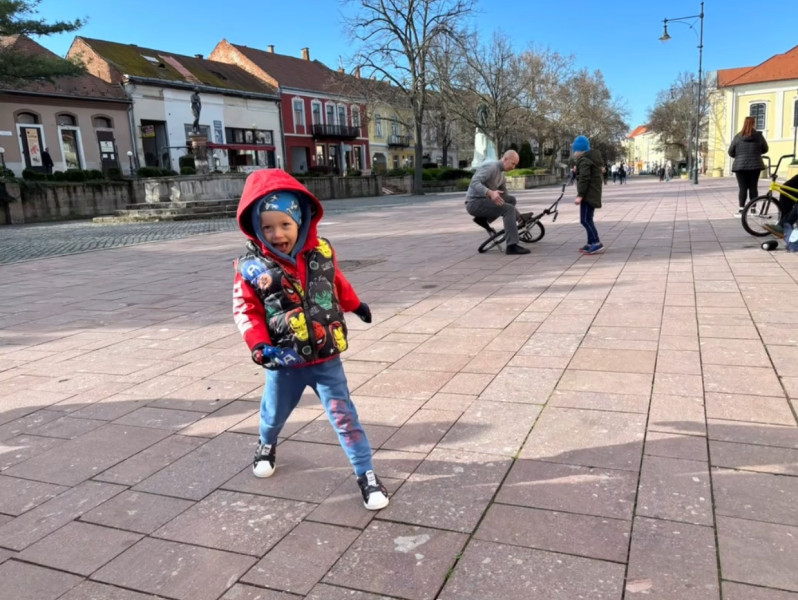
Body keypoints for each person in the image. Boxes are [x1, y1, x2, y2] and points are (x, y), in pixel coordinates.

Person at [231, 168, 389, 510]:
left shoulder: (322, 252)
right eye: (267, 227)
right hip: (284, 361)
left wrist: (355, 304)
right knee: (274, 413)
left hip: (326, 359)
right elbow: (246, 310)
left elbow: (335, 282)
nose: (277, 234)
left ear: (301, 221)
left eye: (284, 224)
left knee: (345, 417)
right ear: (256, 227)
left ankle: (365, 472)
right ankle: (266, 443)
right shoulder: (251, 268)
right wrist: (259, 346)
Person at [465, 149, 530, 255]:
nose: (513, 167)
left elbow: (506, 197)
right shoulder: (491, 167)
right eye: (513, 163)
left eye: (515, 165)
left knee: (511, 200)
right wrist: (490, 192)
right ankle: (512, 246)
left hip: (484, 201)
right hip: (474, 203)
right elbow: (474, 182)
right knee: (508, 209)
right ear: (505, 159)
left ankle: (483, 219)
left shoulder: (501, 175)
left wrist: (519, 217)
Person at [728, 116, 768, 217]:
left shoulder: (738, 136)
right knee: (753, 187)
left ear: (744, 123)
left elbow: (730, 151)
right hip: (755, 165)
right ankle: (753, 210)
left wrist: (739, 156)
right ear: (753, 124)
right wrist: (757, 153)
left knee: (743, 188)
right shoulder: (759, 136)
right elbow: (765, 149)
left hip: (740, 166)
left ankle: (741, 210)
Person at [572, 135, 604, 255]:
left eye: (575, 150)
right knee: (587, 219)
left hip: (588, 195)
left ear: (580, 150)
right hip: (592, 193)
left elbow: (584, 178)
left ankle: (596, 242)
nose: (574, 153)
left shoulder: (585, 161)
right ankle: (590, 243)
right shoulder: (590, 159)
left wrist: (580, 195)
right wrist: (577, 171)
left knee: (585, 220)